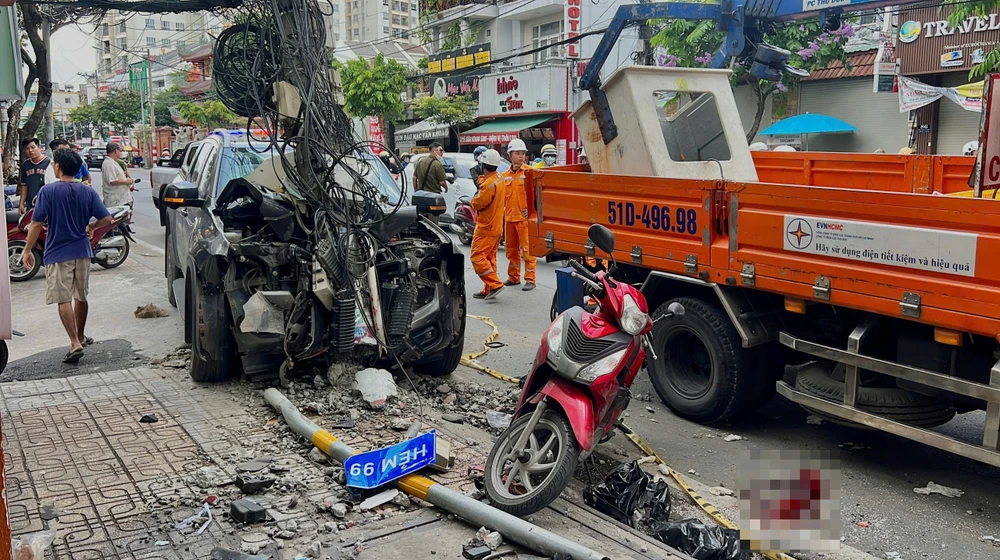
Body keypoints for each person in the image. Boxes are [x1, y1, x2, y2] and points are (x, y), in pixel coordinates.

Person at [21, 148, 111, 364]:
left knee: (63, 299)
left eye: (54, 163)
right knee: (81, 296)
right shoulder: (88, 191)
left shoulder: (48, 191)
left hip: (57, 253)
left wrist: (27, 249)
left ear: (58, 166)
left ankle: (74, 342)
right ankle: (81, 335)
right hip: (82, 251)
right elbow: (106, 218)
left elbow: (36, 224)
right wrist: (91, 227)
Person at [469, 149, 506, 300]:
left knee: (477, 257)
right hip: (496, 226)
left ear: (483, 165)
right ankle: (489, 287)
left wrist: (473, 201)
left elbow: (477, 203)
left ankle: (495, 284)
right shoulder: (499, 178)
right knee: (489, 258)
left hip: (486, 227)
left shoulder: (488, 185)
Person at [500, 138, 536, 291]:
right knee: (511, 249)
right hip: (509, 218)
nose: (521, 156)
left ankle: (530, 279)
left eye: (523, 153)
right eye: (517, 153)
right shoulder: (504, 175)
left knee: (527, 251)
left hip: (524, 219)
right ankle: (513, 277)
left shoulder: (530, 172)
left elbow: (537, 195)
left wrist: (532, 210)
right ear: (510, 155)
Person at [413, 142, 449, 223]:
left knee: (423, 220)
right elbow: (442, 182)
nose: (442, 153)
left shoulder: (421, 162)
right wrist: (446, 188)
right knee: (433, 222)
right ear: (434, 151)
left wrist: (416, 190)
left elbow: (414, 178)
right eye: (440, 150)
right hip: (433, 196)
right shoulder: (437, 164)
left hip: (421, 196)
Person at [18, 138, 51, 214]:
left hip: (46, 202)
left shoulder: (49, 163)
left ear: (39, 147)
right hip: (31, 204)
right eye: (27, 149)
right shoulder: (25, 165)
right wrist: (21, 203)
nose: (30, 150)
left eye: (33, 147)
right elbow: (24, 185)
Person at [101, 142, 134, 207]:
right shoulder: (109, 164)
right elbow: (112, 181)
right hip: (116, 201)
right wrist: (126, 182)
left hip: (121, 199)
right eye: (120, 150)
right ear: (116, 151)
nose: (120, 152)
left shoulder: (113, 162)